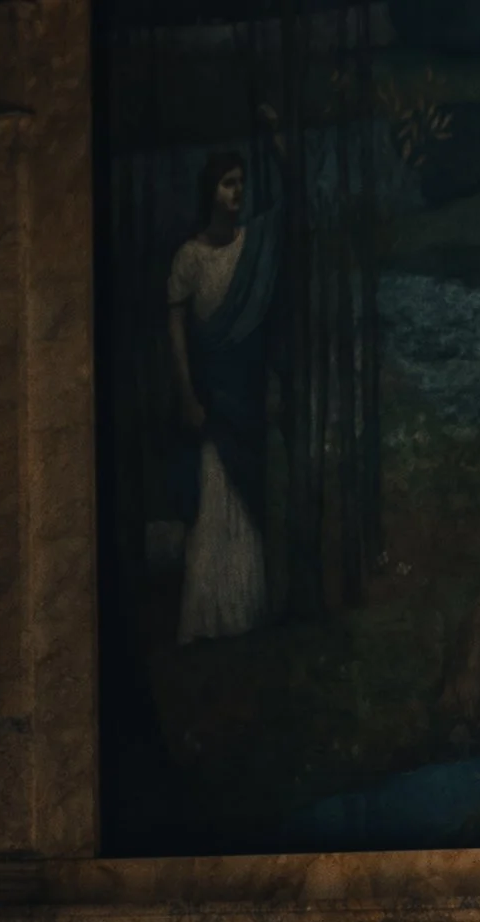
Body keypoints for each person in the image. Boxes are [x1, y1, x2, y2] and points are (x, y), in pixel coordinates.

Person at [165, 138, 282, 645]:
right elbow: (176, 332)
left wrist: (275, 142)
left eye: (241, 184)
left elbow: (287, 209)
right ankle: (211, 617)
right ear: (210, 190)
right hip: (212, 396)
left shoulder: (249, 246)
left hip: (247, 393)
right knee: (215, 491)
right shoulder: (189, 258)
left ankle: (248, 612)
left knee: (249, 496)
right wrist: (188, 394)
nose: (237, 193)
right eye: (228, 184)